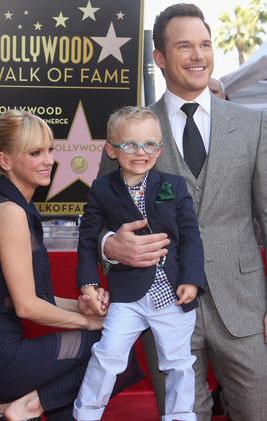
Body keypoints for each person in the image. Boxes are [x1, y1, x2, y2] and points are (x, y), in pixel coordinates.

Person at [98, 3, 267, 421]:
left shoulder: (252, 125)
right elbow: (101, 219)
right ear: (159, 58)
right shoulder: (130, 128)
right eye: (185, 46)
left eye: (205, 44)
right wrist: (110, 246)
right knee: (181, 415)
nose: (199, 56)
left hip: (243, 305)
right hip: (161, 304)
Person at [0, 110, 111, 421]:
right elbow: (27, 307)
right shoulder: (10, 212)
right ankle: (29, 407)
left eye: (50, 150)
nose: (48, 161)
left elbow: (35, 299)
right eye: (35, 152)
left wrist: (84, 308)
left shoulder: (10, 205)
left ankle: (12, 411)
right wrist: (91, 323)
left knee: (109, 338)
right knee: (111, 346)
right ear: (5, 161)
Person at [73, 106, 205, 421]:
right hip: (128, 295)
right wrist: (89, 283)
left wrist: (192, 279)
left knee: (179, 363)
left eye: (149, 145)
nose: (140, 152)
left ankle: (180, 415)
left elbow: (190, 237)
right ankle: (86, 413)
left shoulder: (173, 185)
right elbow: (89, 238)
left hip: (172, 294)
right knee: (107, 355)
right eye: (129, 145)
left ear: (159, 151)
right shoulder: (102, 188)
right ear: (111, 150)